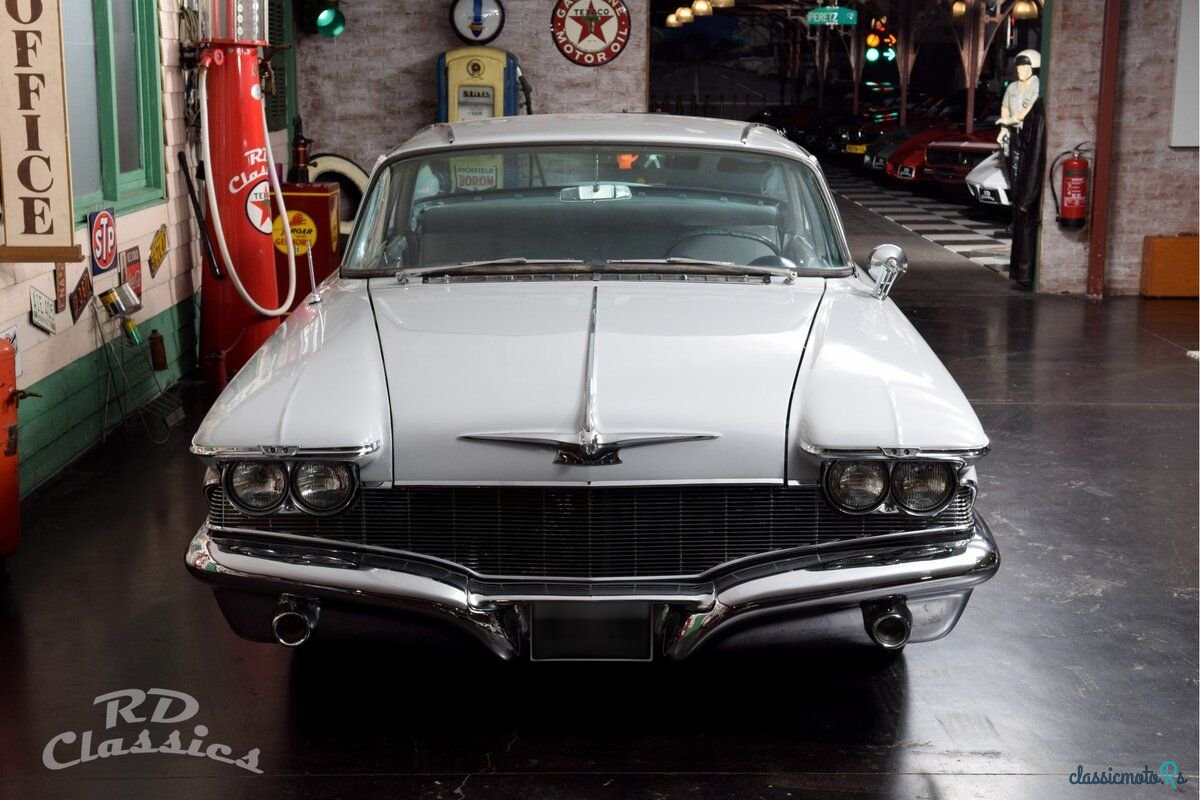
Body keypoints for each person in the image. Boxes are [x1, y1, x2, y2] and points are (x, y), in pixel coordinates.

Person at [1009, 96, 1046, 287]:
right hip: (1023, 182)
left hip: (1026, 185)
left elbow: (1035, 157)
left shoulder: (1037, 115)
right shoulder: (1034, 112)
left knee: (1025, 228)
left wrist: (1027, 197)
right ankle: (1021, 273)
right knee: (1022, 229)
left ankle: (1023, 273)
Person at [997, 50, 1041, 185]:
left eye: (1023, 66)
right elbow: (1005, 106)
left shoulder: (1036, 85)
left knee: (1026, 169)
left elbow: (1028, 110)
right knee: (1013, 170)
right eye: (1018, 66)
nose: (1019, 69)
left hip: (1028, 133)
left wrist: (1009, 120)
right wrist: (1004, 129)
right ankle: (1016, 200)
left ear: (1032, 68)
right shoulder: (1012, 87)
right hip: (1014, 134)